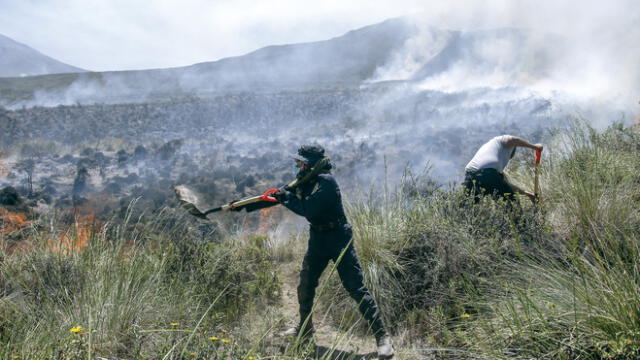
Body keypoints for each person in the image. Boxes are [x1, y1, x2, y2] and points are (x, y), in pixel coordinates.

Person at [272, 145, 394, 359]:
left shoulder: (326, 182)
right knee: (306, 283)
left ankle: (382, 337)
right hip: (318, 237)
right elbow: (283, 192)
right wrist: (250, 203)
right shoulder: (304, 178)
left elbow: (306, 209)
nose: (297, 165)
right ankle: (305, 329)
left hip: (339, 238)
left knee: (355, 287)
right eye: (298, 162)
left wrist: (284, 198)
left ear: (311, 164)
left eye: (301, 162)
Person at [463, 135, 543, 202]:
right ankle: (518, 221)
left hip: (470, 176)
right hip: (487, 173)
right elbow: (513, 140)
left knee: (469, 208)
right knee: (511, 203)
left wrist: (527, 194)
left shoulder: (491, 152)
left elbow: (505, 184)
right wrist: (534, 147)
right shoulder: (500, 141)